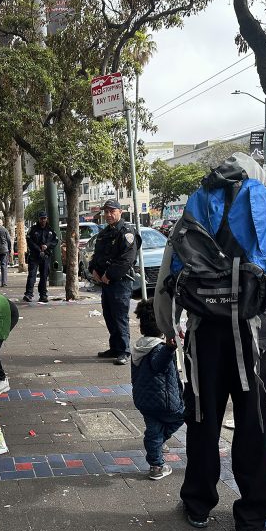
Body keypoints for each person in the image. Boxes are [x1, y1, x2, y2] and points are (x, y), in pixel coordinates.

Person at [153, 152, 266, 531]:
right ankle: (251, 518)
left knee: (203, 421)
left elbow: (167, 278)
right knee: (254, 427)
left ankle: (198, 503)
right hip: (257, 342)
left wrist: (169, 328)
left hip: (204, 337)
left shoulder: (193, 218)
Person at [131, 299, 184, 480]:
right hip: (165, 400)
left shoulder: (139, 346)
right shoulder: (158, 348)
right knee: (183, 416)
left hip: (145, 401)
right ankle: (159, 443)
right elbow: (158, 364)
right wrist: (169, 349)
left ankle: (156, 465)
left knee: (153, 430)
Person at [89, 199, 137, 365]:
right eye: (106, 212)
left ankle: (124, 351)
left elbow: (126, 260)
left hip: (120, 282)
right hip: (105, 282)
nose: (108, 215)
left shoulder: (127, 232)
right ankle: (115, 348)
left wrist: (109, 275)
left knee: (120, 317)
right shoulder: (104, 233)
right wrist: (93, 270)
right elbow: (97, 255)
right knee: (109, 316)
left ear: (120, 212)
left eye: (112, 211)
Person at [24, 211, 58, 304]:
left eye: (44, 218)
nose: (43, 220)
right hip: (35, 255)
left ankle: (43, 295)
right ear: (38, 219)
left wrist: (47, 245)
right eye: (41, 218)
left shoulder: (50, 230)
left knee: (44, 276)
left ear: (47, 219)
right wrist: (38, 249)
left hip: (46, 255)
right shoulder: (33, 229)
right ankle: (29, 294)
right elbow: (29, 241)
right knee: (32, 275)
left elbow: (55, 241)